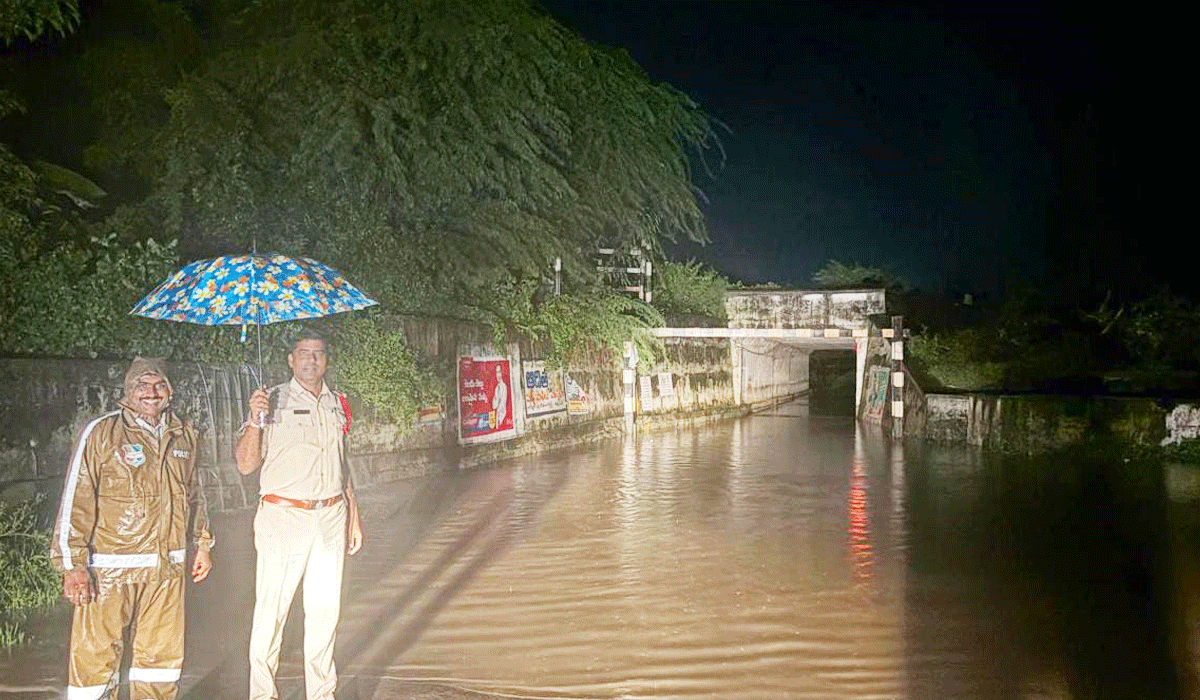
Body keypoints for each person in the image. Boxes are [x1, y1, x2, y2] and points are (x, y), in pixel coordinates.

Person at [51, 357, 214, 700]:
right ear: (128, 391)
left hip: (167, 567)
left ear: (169, 391)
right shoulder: (101, 432)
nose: (151, 393)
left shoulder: (184, 434)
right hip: (109, 567)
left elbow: (194, 493)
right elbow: (76, 498)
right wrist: (73, 566)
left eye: (159, 385)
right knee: (94, 658)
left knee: (161, 660)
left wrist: (202, 543)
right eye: (143, 385)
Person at [236, 328, 364, 700]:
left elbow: (343, 464)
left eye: (319, 353)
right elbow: (246, 465)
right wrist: (255, 418)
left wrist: (354, 515)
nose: (312, 359)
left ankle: (322, 694)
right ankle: (262, 695)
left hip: (330, 517)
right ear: (291, 360)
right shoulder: (270, 400)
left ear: (327, 359)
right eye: (304, 353)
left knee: (325, 613)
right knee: (271, 613)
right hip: (283, 518)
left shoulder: (338, 403)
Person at [491, 363, 508, 429]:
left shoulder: (504, 386)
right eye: (496, 373)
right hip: (497, 418)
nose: (498, 375)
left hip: (502, 417)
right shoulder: (496, 387)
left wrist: (496, 412)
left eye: (499, 372)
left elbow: (502, 404)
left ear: (502, 372)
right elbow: (494, 405)